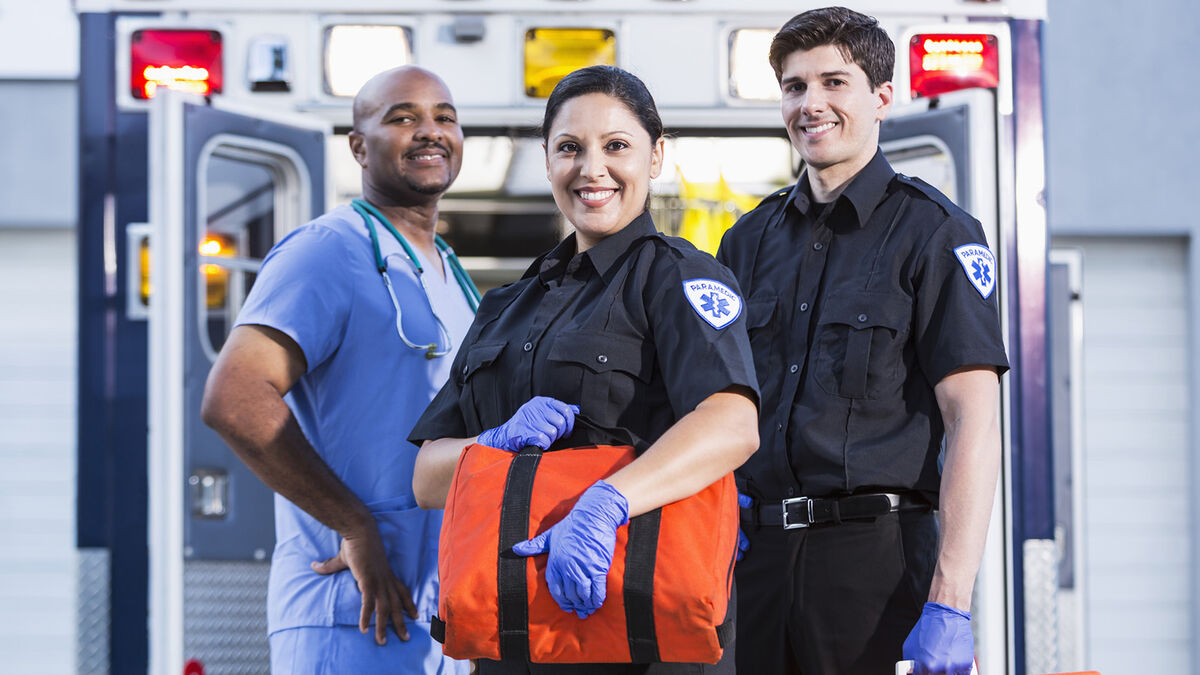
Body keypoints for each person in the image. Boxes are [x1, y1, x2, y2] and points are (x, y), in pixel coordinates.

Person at [407, 65, 760, 675]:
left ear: (656, 158)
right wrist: (489, 445)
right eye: (570, 148)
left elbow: (733, 424)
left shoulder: (678, 278)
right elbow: (426, 479)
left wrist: (607, 504)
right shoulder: (504, 308)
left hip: (639, 631)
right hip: (516, 636)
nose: (592, 169)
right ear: (548, 161)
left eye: (617, 146)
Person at [715, 7, 1009, 675]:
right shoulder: (745, 241)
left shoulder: (936, 234)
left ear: (882, 98)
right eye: (794, 87)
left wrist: (951, 603)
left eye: (833, 82)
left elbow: (974, 419)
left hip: (874, 571)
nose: (810, 104)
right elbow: (713, 407)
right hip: (751, 568)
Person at [200, 65, 475, 674]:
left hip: (431, 621)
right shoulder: (329, 250)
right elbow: (235, 396)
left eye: (444, 118)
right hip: (347, 613)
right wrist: (352, 524)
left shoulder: (448, 272)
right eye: (403, 117)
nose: (429, 131)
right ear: (358, 145)